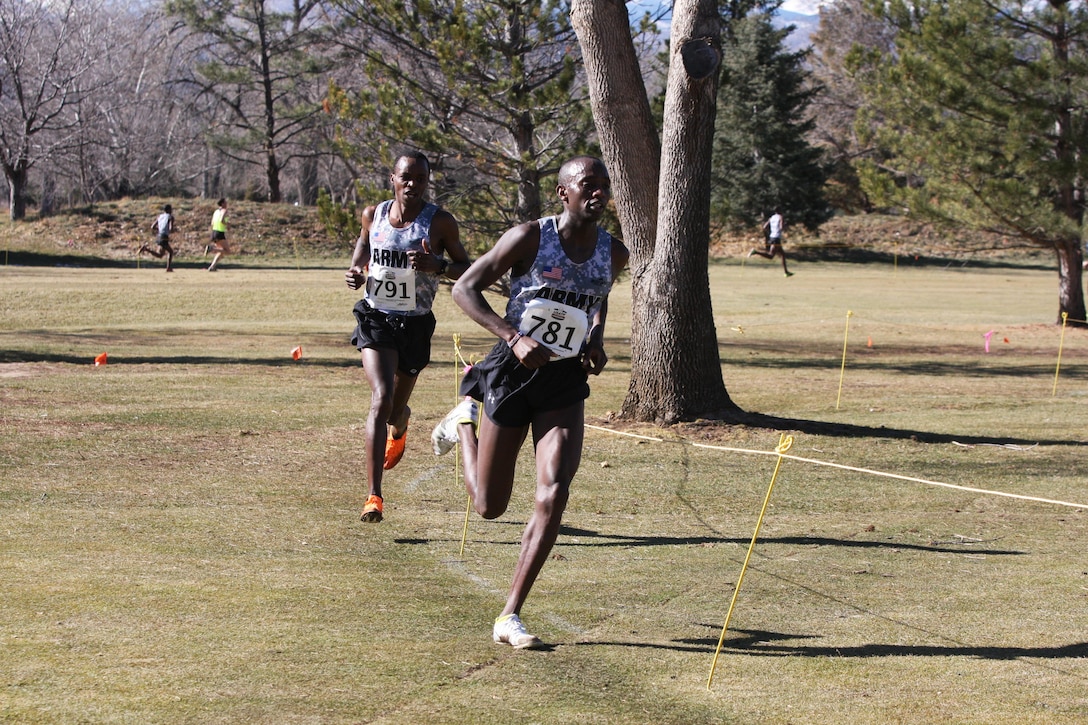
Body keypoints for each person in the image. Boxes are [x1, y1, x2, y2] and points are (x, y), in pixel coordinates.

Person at [431, 156, 629, 649]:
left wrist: (596, 338)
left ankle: (510, 614)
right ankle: (464, 420)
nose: (599, 194)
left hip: (563, 381)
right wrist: (512, 335)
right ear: (565, 193)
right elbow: (463, 287)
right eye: (589, 185)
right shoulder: (529, 238)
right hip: (513, 372)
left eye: (604, 186)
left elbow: (598, 296)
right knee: (489, 506)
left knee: (554, 491)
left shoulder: (615, 252)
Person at [345, 151, 470, 524]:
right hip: (376, 317)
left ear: (427, 182)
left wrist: (440, 266)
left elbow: (469, 267)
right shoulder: (375, 214)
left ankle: (401, 424)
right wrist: (355, 269)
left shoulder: (440, 222)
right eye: (406, 177)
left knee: (395, 409)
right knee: (379, 397)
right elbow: (364, 244)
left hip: (414, 324)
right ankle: (374, 496)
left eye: (420, 178)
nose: (413, 184)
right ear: (393, 179)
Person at [749, 208, 793, 277]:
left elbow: (764, 227)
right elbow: (781, 227)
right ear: (780, 211)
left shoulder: (772, 217)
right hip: (776, 238)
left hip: (772, 237)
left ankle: (786, 272)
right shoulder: (780, 217)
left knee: (782, 254)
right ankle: (755, 252)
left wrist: (770, 233)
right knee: (771, 256)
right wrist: (784, 227)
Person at [139, 204, 176, 272]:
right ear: (168, 210)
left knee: (160, 255)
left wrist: (160, 229)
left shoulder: (160, 216)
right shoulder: (170, 217)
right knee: (170, 252)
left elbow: (152, 226)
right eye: (171, 209)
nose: (172, 211)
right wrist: (172, 230)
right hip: (164, 236)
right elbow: (171, 228)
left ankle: (146, 249)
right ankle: (168, 268)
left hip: (159, 235)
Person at [206, 198, 230, 271]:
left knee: (221, 252)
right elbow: (222, 220)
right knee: (227, 251)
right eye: (225, 203)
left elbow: (212, 223)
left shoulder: (216, 211)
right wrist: (227, 225)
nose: (227, 204)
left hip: (214, 232)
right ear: (222, 204)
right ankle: (211, 248)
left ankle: (212, 267)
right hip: (219, 233)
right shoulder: (224, 211)